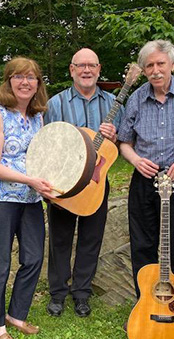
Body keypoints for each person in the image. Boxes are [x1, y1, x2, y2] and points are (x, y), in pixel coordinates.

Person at [118, 40, 174, 300]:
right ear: (144, 70)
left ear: (173, 64)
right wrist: (136, 160)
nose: (156, 70)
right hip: (145, 179)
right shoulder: (137, 98)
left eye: (161, 63)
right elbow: (123, 142)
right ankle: (145, 304)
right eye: (149, 65)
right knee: (142, 244)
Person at [0, 57, 54, 339]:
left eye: (32, 77)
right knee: (0, 262)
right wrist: (31, 180)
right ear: (9, 81)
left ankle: (16, 314)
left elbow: (42, 158)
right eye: (19, 77)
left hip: (31, 198)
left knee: (34, 257)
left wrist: (46, 185)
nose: (26, 82)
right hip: (0, 197)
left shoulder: (38, 116)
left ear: (38, 84)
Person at [45, 48, 123, 318]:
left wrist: (115, 136)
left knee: (91, 238)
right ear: (72, 69)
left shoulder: (114, 103)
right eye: (81, 66)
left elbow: (122, 145)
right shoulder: (56, 103)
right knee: (60, 238)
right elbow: (46, 143)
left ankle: (81, 293)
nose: (86, 70)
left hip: (98, 181)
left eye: (91, 65)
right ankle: (57, 293)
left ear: (99, 69)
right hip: (63, 182)